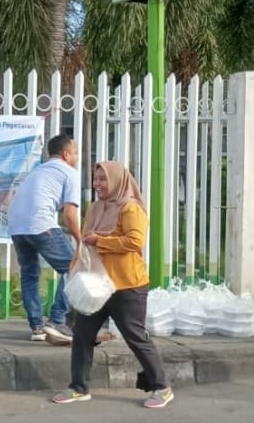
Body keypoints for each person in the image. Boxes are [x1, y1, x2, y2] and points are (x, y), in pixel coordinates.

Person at [51, 160, 174, 409]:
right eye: (95, 179)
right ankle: (78, 387)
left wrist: (101, 241)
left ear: (118, 180)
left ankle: (162, 387)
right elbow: (86, 241)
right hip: (97, 285)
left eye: (103, 179)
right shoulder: (96, 208)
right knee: (83, 334)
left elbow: (134, 242)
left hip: (127, 285)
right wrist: (75, 266)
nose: (97, 184)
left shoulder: (130, 208)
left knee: (135, 335)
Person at [8, 134, 81, 344]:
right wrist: (80, 239)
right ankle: (57, 321)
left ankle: (37, 328)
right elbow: (69, 214)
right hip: (41, 224)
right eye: (75, 152)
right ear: (66, 154)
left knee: (29, 274)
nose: (77, 157)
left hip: (17, 226)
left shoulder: (38, 170)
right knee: (73, 269)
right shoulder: (69, 173)